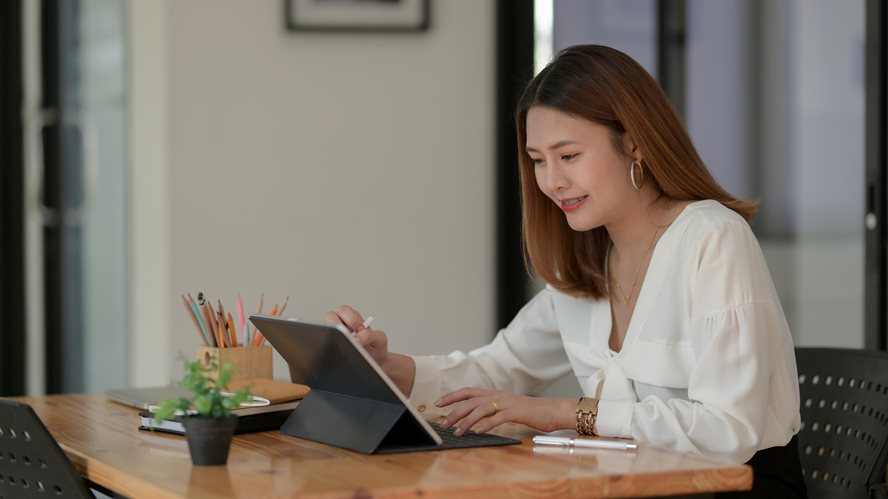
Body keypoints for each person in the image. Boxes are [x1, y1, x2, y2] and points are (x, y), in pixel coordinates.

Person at [326, 45, 806, 497]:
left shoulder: (713, 239)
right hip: (626, 485)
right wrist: (391, 369)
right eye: (538, 161)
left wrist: (560, 412)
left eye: (569, 156)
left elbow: (727, 430)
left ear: (634, 144)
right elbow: (499, 369)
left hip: (732, 488)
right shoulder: (589, 262)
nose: (552, 182)